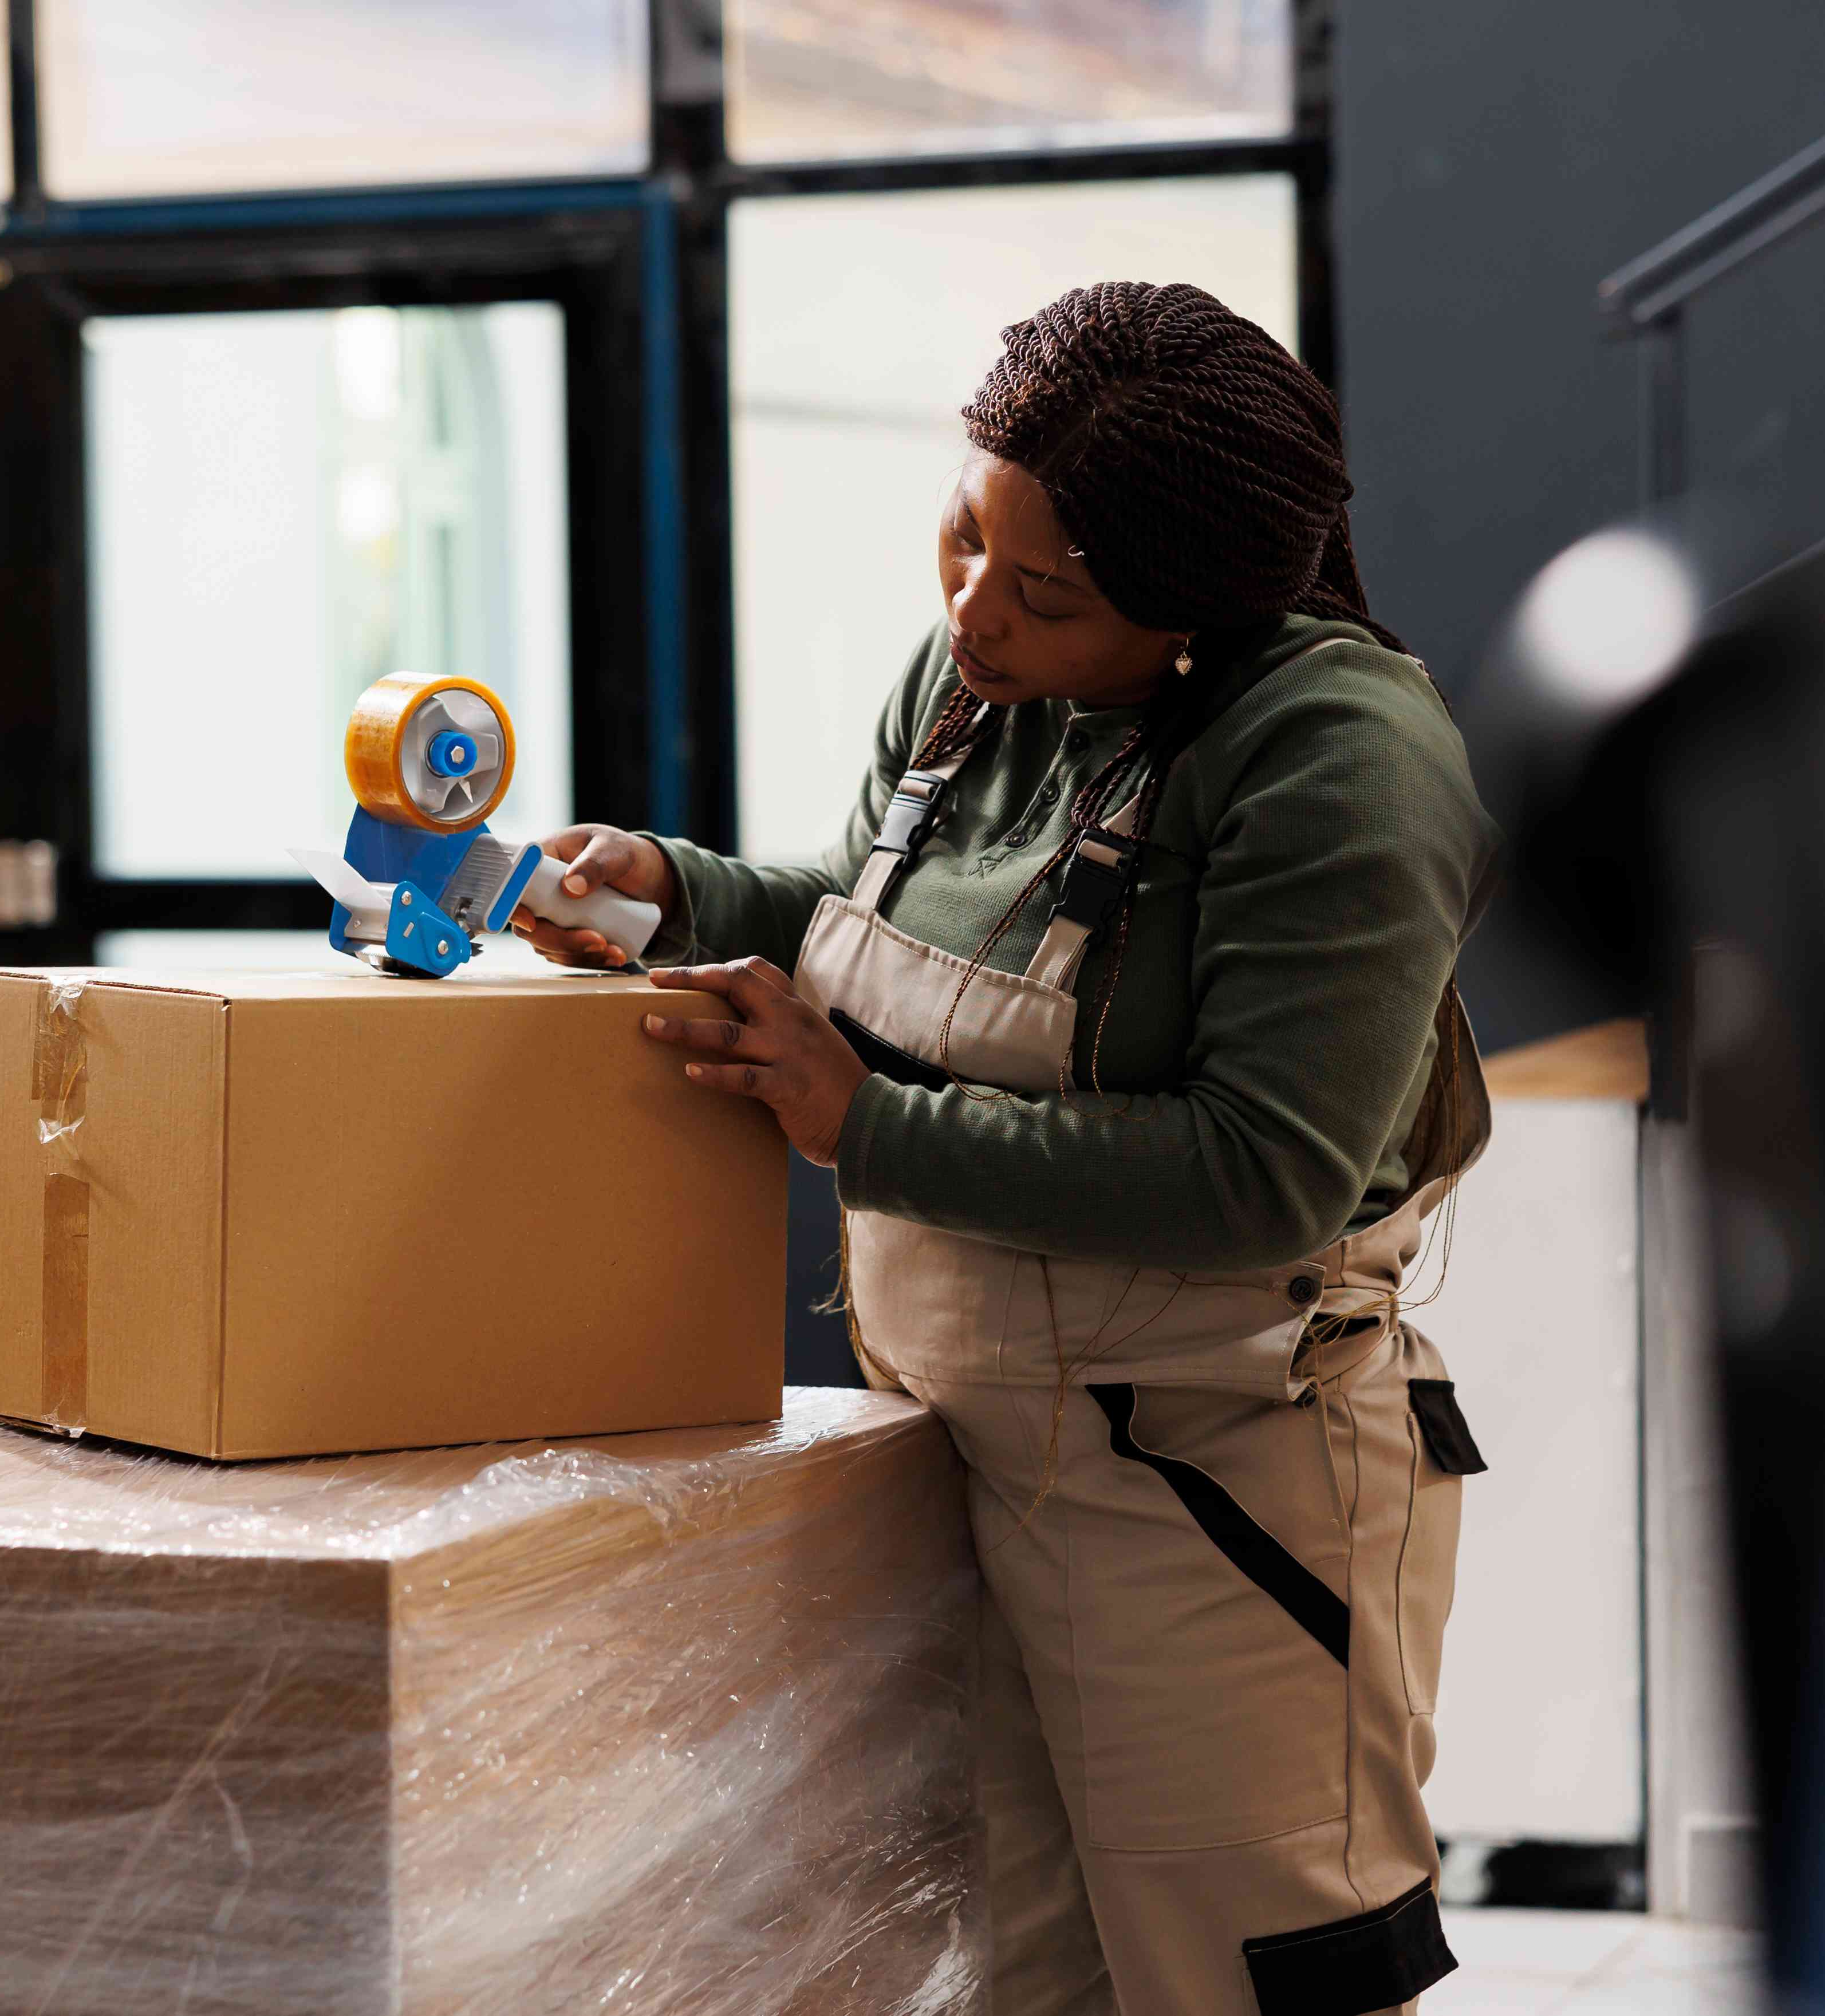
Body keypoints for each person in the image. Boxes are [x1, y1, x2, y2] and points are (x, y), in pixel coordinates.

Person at [517, 281, 1495, 2016]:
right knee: (1011, 1963)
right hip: (956, 1446)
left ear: (1201, 608)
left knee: (1236, 1970)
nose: (976, 609)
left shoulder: (1337, 759)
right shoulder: (971, 692)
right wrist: (681, 894)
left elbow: (1253, 1169)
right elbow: (865, 920)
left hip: (1212, 1485)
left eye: (1046, 592)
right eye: (965, 537)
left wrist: (865, 1124)